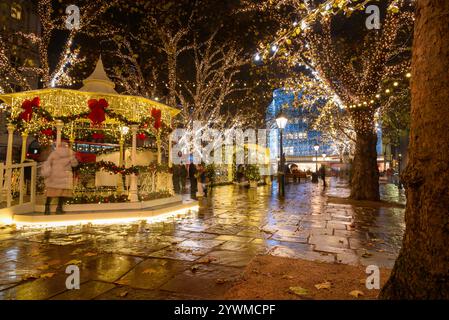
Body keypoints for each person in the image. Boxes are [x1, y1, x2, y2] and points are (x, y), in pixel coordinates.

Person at [41, 142, 78, 215]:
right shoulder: (70, 154)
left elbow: (48, 163)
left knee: (50, 193)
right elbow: (74, 164)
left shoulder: (54, 153)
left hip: (54, 175)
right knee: (62, 193)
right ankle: (59, 208)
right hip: (64, 176)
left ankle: (47, 208)